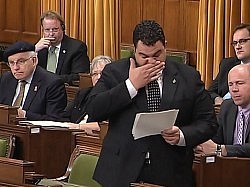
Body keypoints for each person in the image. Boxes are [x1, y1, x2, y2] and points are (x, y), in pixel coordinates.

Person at [85, 20, 218, 187]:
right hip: (121, 171)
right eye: (144, 56)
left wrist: (182, 135)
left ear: (165, 47)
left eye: (157, 55)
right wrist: (131, 85)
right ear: (134, 51)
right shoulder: (115, 72)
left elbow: (209, 122)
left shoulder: (188, 77)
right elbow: (93, 109)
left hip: (170, 171)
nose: (151, 62)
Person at [0, 41, 67, 121]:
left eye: (21, 62)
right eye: (11, 63)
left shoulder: (52, 83)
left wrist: (24, 115)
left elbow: (55, 120)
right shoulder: (7, 78)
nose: (15, 68)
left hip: (33, 132)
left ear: (34, 61)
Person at [196, 64, 250, 157]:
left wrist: (222, 149)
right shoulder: (227, 107)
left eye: (240, 83)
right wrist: (202, 144)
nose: (234, 89)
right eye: (230, 84)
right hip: (227, 168)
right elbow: (216, 138)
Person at [35, 10, 90, 85]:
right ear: (43, 30)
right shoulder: (39, 48)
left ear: (62, 28)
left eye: (55, 29)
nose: (51, 34)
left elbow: (78, 76)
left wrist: (50, 80)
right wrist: (34, 51)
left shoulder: (76, 47)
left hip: (63, 90)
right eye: (47, 30)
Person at [208, 23, 250, 113]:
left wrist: (229, 105)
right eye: (235, 43)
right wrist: (217, 99)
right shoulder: (227, 64)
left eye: (242, 41)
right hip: (220, 113)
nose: (238, 47)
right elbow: (210, 92)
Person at [67, 55, 112, 134]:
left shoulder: (115, 97)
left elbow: (105, 125)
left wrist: (78, 127)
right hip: (75, 135)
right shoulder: (83, 94)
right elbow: (66, 114)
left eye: (102, 73)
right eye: (95, 74)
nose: (98, 77)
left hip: (94, 139)